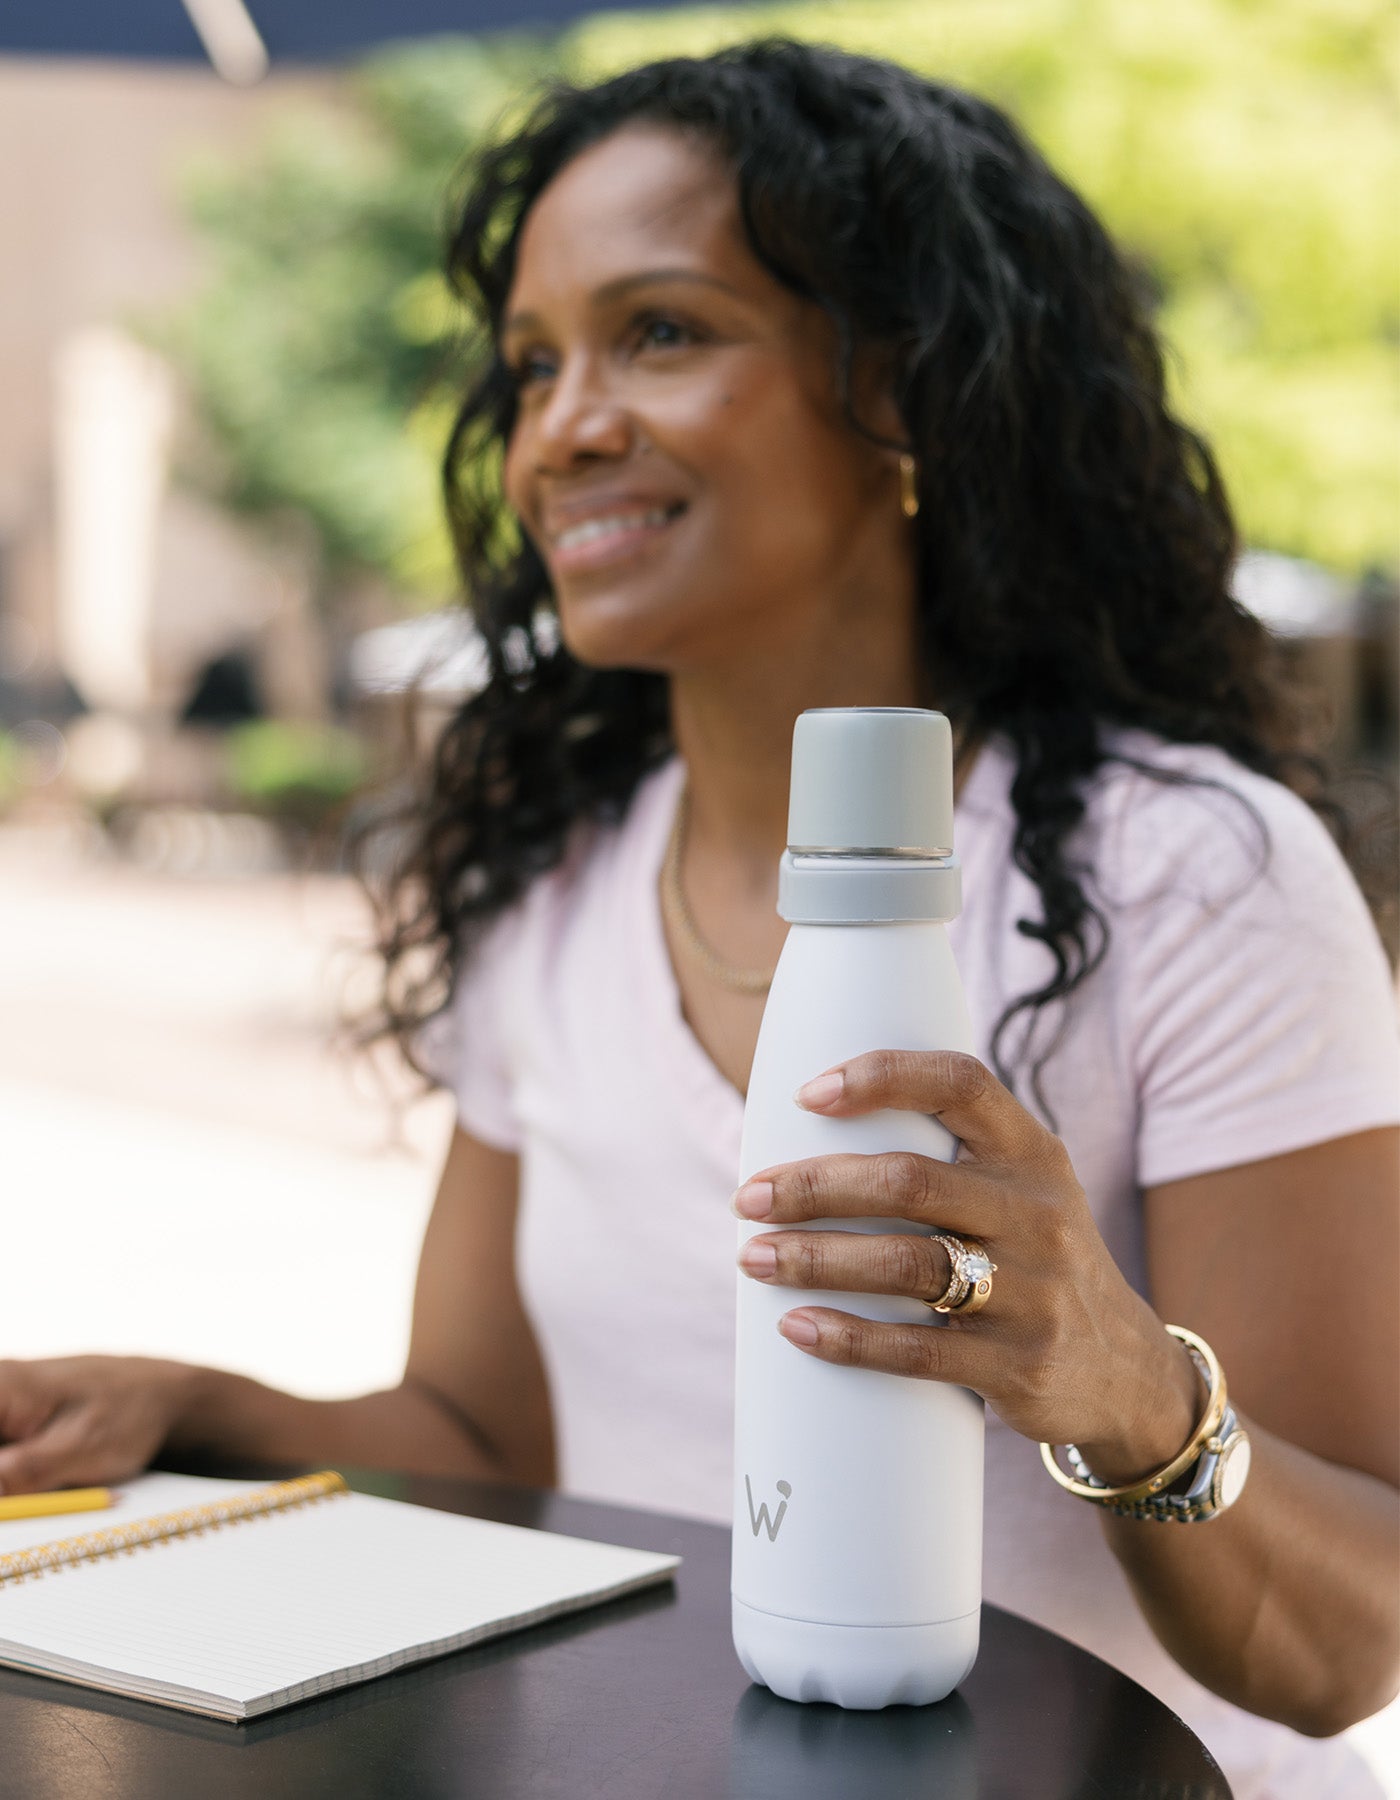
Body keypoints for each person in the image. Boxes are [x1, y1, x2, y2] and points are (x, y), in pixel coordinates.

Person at [1, 40, 1396, 1797]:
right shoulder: (558, 889)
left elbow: (1352, 1645)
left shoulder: (1194, 877)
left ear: (901, 391)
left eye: (661, 330)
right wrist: (188, 1400)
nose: (563, 426)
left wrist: (1126, 1390)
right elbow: (485, 1438)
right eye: (530, 364)